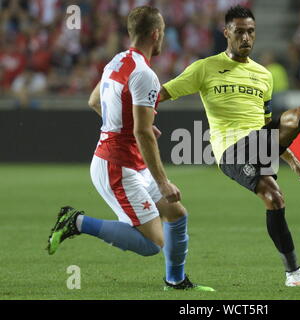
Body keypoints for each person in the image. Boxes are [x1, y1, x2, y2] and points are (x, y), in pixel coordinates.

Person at [158, 5, 300, 287]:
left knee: (276, 196)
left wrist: (294, 162)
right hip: (231, 149)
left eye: (251, 32)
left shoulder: (263, 76)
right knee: (293, 124)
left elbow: (270, 127)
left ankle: (294, 275)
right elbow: (161, 94)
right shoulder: (205, 68)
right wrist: (135, 113)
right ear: (227, 33)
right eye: (240, 32)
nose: (246, 38)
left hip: (258, 142)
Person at [46, 6, 214, 292]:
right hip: (116, 166)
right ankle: (77, 221)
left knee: (176, 214)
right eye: (162, 35)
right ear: (156, 34)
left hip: (128, 161)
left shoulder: (116, 61)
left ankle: (176, 281)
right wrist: (162, 179)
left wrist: (130, 126)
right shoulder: (145, 74)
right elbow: (141, 132)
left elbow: (93, 101)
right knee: (152, 244)